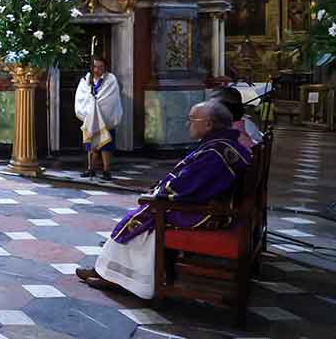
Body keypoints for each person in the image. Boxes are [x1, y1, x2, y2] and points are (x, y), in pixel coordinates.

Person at [76, 99, 250, 299]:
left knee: (141, 220)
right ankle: (107, 271)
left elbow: (187, 186)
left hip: (207, 213)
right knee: (143, 214)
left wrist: (160, 194)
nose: (188, 124)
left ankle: (126, 279)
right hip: (214, 205)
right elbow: (192, 180)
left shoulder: (215, 152)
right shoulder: (223, 145)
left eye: (192, 120)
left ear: (209, 124)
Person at [74, 56, 123, 180]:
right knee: (91, 144)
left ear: (105, 67)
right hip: (91, 117)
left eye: (101, 67)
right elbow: (81, 95)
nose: (98, 69)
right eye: (95, 66)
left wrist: (97, 102)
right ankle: (91, 169)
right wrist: (91, 102)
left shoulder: (111, 79)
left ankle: (107, 170)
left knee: (106, 145)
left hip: (105, 117)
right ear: (92, 67)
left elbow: (111, 97)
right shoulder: (86, 79)